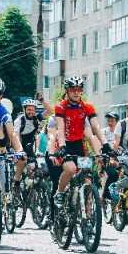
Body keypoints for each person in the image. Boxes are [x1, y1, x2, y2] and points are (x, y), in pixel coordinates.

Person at [53, 75, 111, 206]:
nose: (76, 92)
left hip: (79, 144)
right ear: (67, 91)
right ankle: (60, 193)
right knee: (71, 169)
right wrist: (62, 146)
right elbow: (60, 129)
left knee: (88, 181)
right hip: (65, 143)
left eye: (79, 89)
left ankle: (88, 218)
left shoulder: (87, 107)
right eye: (73, 89)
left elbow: (95, 126)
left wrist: (105, 143)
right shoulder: (61, 106)